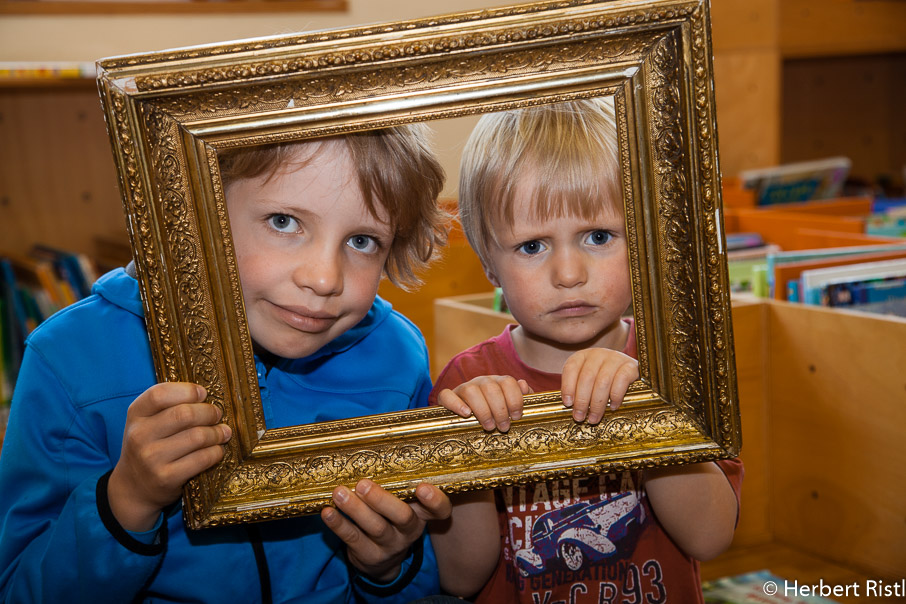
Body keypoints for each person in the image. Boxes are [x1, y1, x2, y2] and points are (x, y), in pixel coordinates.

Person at [0, 125, 462, 603]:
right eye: (284, 222)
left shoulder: (395, 357)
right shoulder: (69, 358)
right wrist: (126, 501)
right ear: (195, 206)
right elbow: (18, 589)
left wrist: (387, 565)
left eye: (362, 241)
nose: (324, 278)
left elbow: (413, 576)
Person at [429, 98, 743, 603]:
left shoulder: (675, 361)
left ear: (642, 240)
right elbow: (460, 578)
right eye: (532, 246)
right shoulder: (466, 385)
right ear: (490, 264)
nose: (569, 274)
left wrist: (644, 405)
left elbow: (709, 537)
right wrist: (472, 455)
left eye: (598, 236)